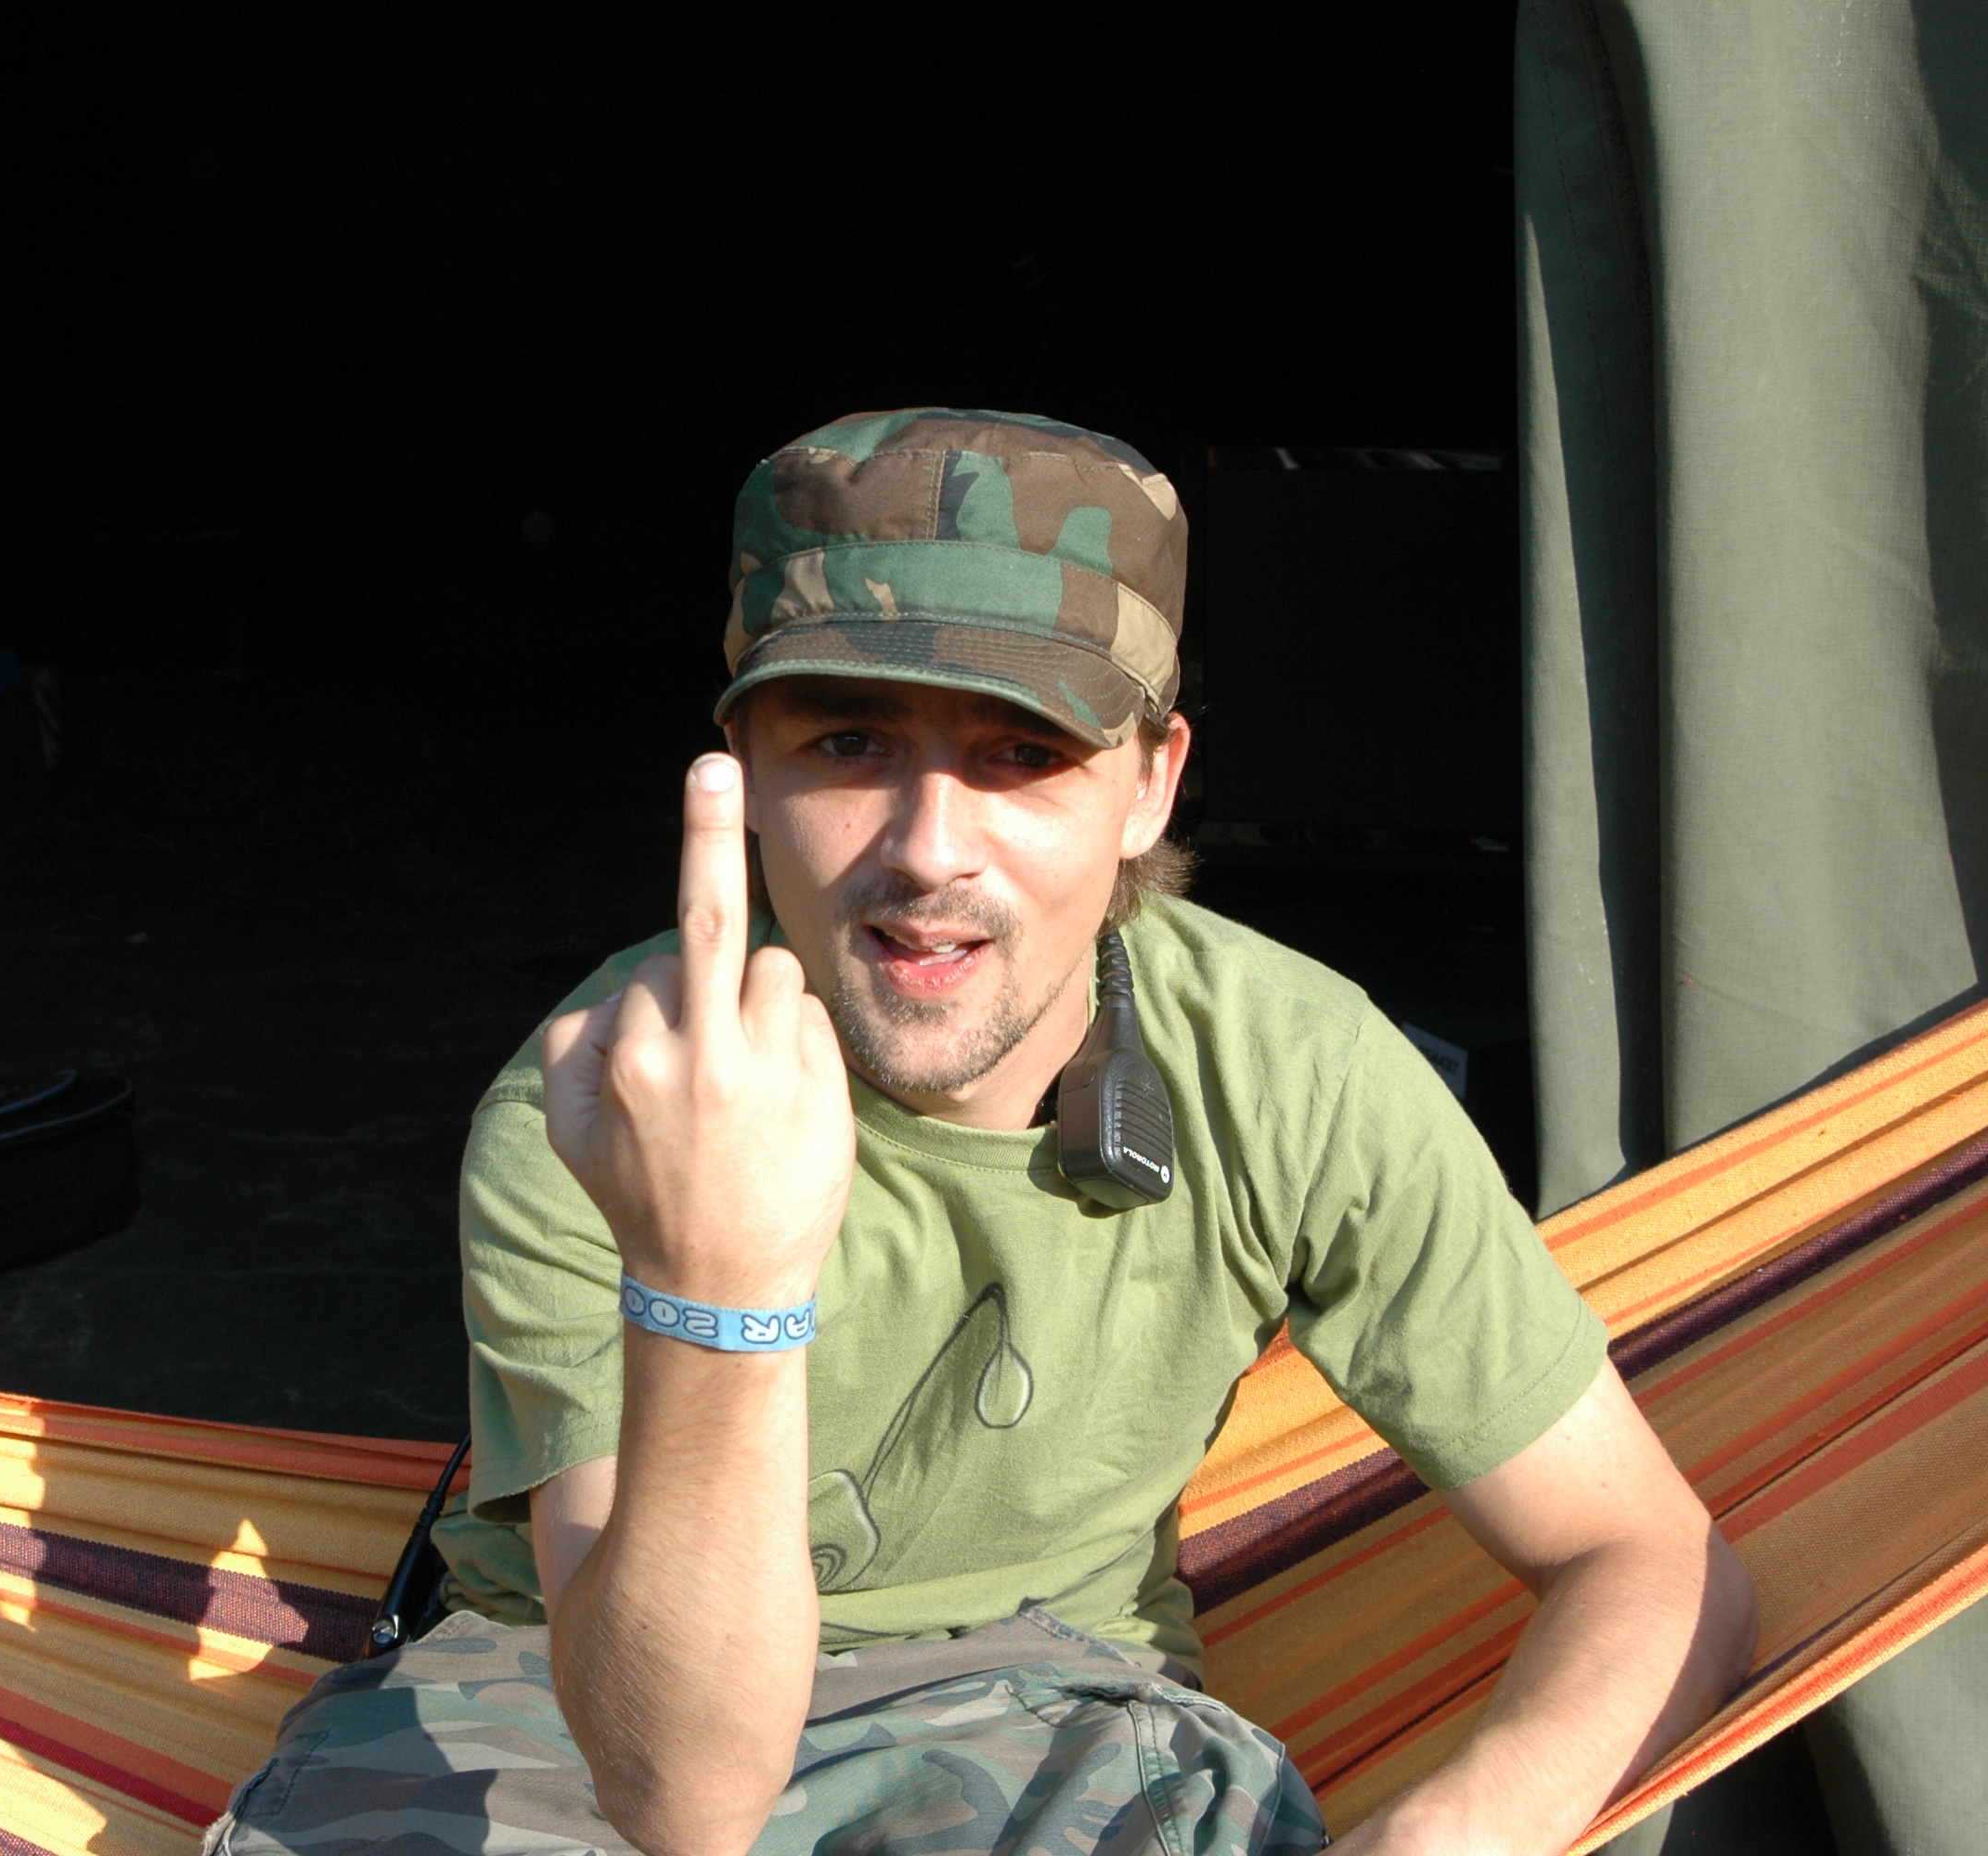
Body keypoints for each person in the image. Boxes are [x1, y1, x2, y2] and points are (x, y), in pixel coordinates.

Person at [207, 409, 1756, 1856]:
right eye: (850, 744)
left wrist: (1443, 1838)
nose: (931, 849)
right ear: (744, 775)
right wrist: (718, 1284)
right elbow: (680, 1794)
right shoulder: (606, 1100)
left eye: (1024, 755)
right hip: (565, 1705)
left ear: (1151, 785)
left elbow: (1652, 1562)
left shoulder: (1292, 1070)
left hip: (1051, 1707)